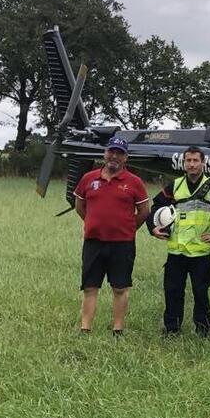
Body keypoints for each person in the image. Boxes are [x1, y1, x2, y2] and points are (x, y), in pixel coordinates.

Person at [72, 136, 150, 336]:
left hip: (122, 244)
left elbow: (143, 211)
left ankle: (118, 329)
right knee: (90, 287)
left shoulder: (134, 182)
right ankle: (85, 328)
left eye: (120, 153)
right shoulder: (88, 178)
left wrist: (129, 228)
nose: (114, 156)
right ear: (105, 154)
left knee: (120, 287)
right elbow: (80, 206)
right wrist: (92, 222)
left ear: (126, 158)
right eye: (111, 151)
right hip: (93, 242)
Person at [147, 146, 210, 336]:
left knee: (201, 293)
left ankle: (204, 331)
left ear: (203, 163)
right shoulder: (175, 185)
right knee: (173, 292)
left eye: (195, 160)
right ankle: (171, 330)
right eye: (188, 161)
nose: (192, 164)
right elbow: (156, 207)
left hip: (200, 252)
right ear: (184, 163)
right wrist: (153, 228)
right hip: (176, 251)